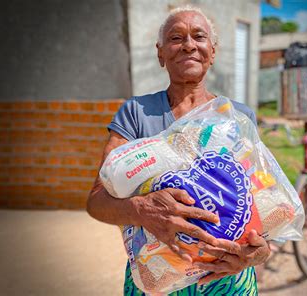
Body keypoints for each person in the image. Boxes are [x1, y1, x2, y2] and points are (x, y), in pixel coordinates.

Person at [87, 6, 271, 295]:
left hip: (228, 282)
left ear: (213, 51)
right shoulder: (136, 113)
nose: (188, 45)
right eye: (176, 38)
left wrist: (260, 253)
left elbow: (262, 202)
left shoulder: (237, 118)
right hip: (158, 280)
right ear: (161, 54)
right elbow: (97, 201)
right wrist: (141, 210)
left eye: (199, 36)